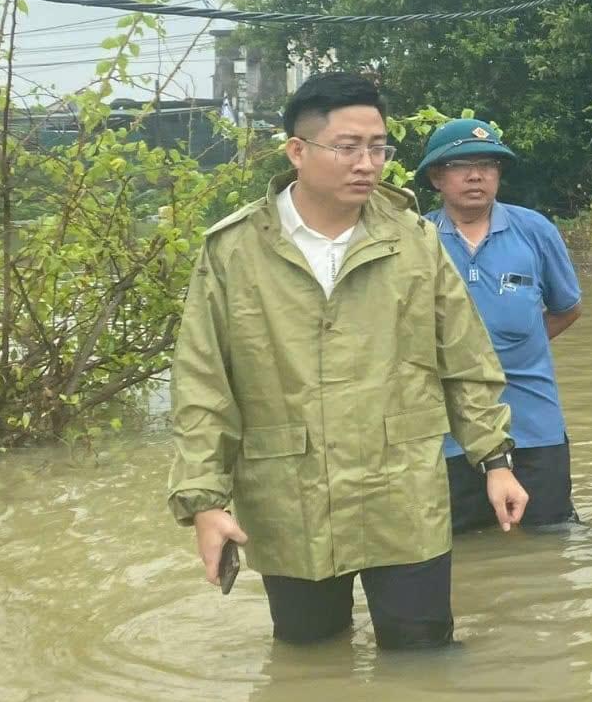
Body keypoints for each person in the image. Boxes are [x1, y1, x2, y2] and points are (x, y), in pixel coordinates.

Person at [166, 73, 523, 651]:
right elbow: (204, 385)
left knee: (423, 657)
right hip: (290, 497)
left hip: (401, 492)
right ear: (298, 152)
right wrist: (205, 503)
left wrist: (496, 461)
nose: (368, 163)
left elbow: (466, 360)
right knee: (310, 657)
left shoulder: (414, 241)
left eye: (378, 147)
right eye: (348, 147)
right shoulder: (233, 252)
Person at [419, 117, 583, 531]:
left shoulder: (534, 230)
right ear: (437, 177)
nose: (476, 175)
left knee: (549, 541)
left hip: (534, 423)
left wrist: (518, 347)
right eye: (460, 165)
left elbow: (567, 308)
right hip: (447, 432)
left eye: (488, 165)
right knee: (460, 547)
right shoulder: (416, 239)